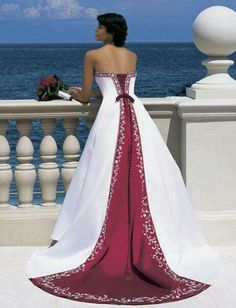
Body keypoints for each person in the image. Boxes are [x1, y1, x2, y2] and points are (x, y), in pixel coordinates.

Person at [25, 13, 223, 305]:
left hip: (110, 117)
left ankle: (89, 235)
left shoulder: (92, 55)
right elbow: (124, 89)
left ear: (108, 31)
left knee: (100, 176)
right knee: (145, 175)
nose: (95, 30)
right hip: (135, 115)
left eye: (99, 27)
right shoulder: (132, 55)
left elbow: (87, 97)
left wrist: (67, 94)